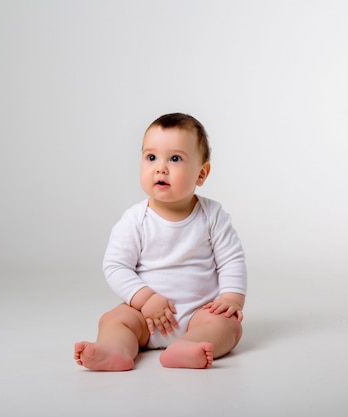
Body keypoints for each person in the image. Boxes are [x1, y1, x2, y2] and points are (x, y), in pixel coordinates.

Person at [74, 113, 247, 371]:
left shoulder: (213, 215)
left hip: (198, 315)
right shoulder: (135, 219)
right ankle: (115, 350)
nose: (160, 168)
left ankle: (187, 347)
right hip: (145, 317)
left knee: (229, 326)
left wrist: (232, 300)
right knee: (114, 320)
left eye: (175, 158)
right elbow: (115, 266)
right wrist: (145, 299)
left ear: (202, 173)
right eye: (151, 157)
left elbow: (231, 260)